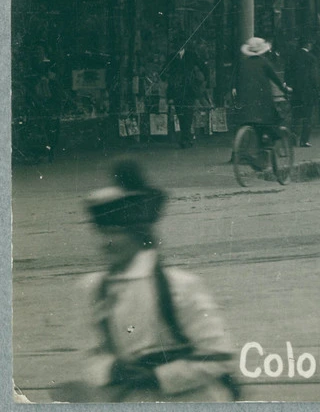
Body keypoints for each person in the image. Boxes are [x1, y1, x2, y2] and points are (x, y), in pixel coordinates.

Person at [57, 160, 238, 402]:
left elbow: (218, 355)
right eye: (102, 233)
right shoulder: (93, 289)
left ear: (138, 235)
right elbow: (90, 353)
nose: (106, 242)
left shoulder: (179, 285)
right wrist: (111, 369)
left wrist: (158, 376)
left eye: (117, 232)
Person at [231, 37, 289, 159]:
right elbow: (275, 79)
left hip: (245, 102)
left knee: (253, 124)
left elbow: (235, 80)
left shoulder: (243, 63)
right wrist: (285, 89)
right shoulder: (264, 62)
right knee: (272, 121)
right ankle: (266, 145)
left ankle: (257, 150)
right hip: (263, 101)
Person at [161, 48, 207, 150]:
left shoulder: (191, 55)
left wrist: (201, 81)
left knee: (188, 114)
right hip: (176, 90)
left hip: (189, 91)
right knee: (181, 114)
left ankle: (185, 139)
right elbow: (164, 71)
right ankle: (187, 137)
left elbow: (203, 67)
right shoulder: (171, 57)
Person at [282, 40, 320, 147]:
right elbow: (314, 77)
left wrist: (289, 85)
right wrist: (317, 88)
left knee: (295, 116)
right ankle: (304, 140)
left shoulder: (293, 57)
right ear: (308, 44)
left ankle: (293, 139)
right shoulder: (312, 58)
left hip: (296, 91)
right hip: (308, 92)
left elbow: (287, 72)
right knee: (307, 117)